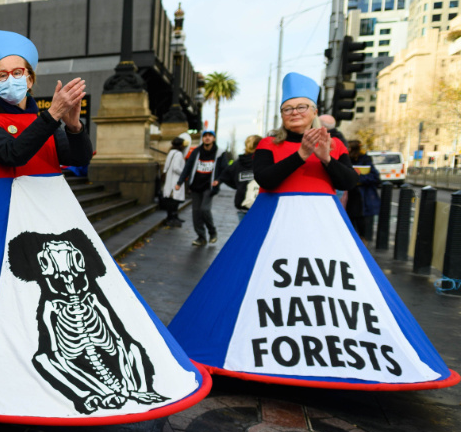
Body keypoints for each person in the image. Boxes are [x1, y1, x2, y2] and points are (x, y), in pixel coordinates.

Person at [0, 30, 209, 424]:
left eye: (18, 73)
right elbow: (14, 154)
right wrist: (52, 117)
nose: (10, 80)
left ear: (30, 79)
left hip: (55, 218)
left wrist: (73, 124)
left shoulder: (43, 122)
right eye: (2, 75)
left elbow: (81, 160)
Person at [168, 72, 457, 391]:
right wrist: (301, 156)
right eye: (287, 108)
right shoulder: (268, 143)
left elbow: (347, 182)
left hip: (323, 227)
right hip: (271, 224)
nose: (294, 113)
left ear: (313, 110)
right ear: (281, 115)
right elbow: (267, 179)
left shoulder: (333, 144)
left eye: (301, 107)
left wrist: (325, 157)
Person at [177, 130, 222, 246]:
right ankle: (201, 237)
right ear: (202, 139)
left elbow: (225, 169)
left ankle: (212, 232)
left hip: (209, 187)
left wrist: (219, 180)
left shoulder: (219, 153)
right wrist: (180, 182)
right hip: (196, 186)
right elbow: (188, 167)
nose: (207, 138)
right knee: (196, 213)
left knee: (204, 209)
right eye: (205, 136)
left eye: (210, 136)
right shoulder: (196, 152)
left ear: (214, 139)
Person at [347, 139, 381, 238]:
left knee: (363, 229)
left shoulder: (365, 159)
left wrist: (357, 178)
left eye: (348, 147)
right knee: (351, 228)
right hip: (350, 197)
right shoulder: (344, 158)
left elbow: (375, 178)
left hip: (362, 199)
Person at [222, 135, 261, 217]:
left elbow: (225, 176)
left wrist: (238, 185)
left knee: (244, 229)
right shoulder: (263, 162)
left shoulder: (239, 163)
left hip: (242, 204)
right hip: (260, 205)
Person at [160, 137, 187, 227]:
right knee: (174, 200)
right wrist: (184, 173)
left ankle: (173, 217)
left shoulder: (171, 153)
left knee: (171, 200)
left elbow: (166, 166)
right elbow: (176, 168)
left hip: (170, 180)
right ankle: (172, 218)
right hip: (176, 180)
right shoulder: (178, 154)